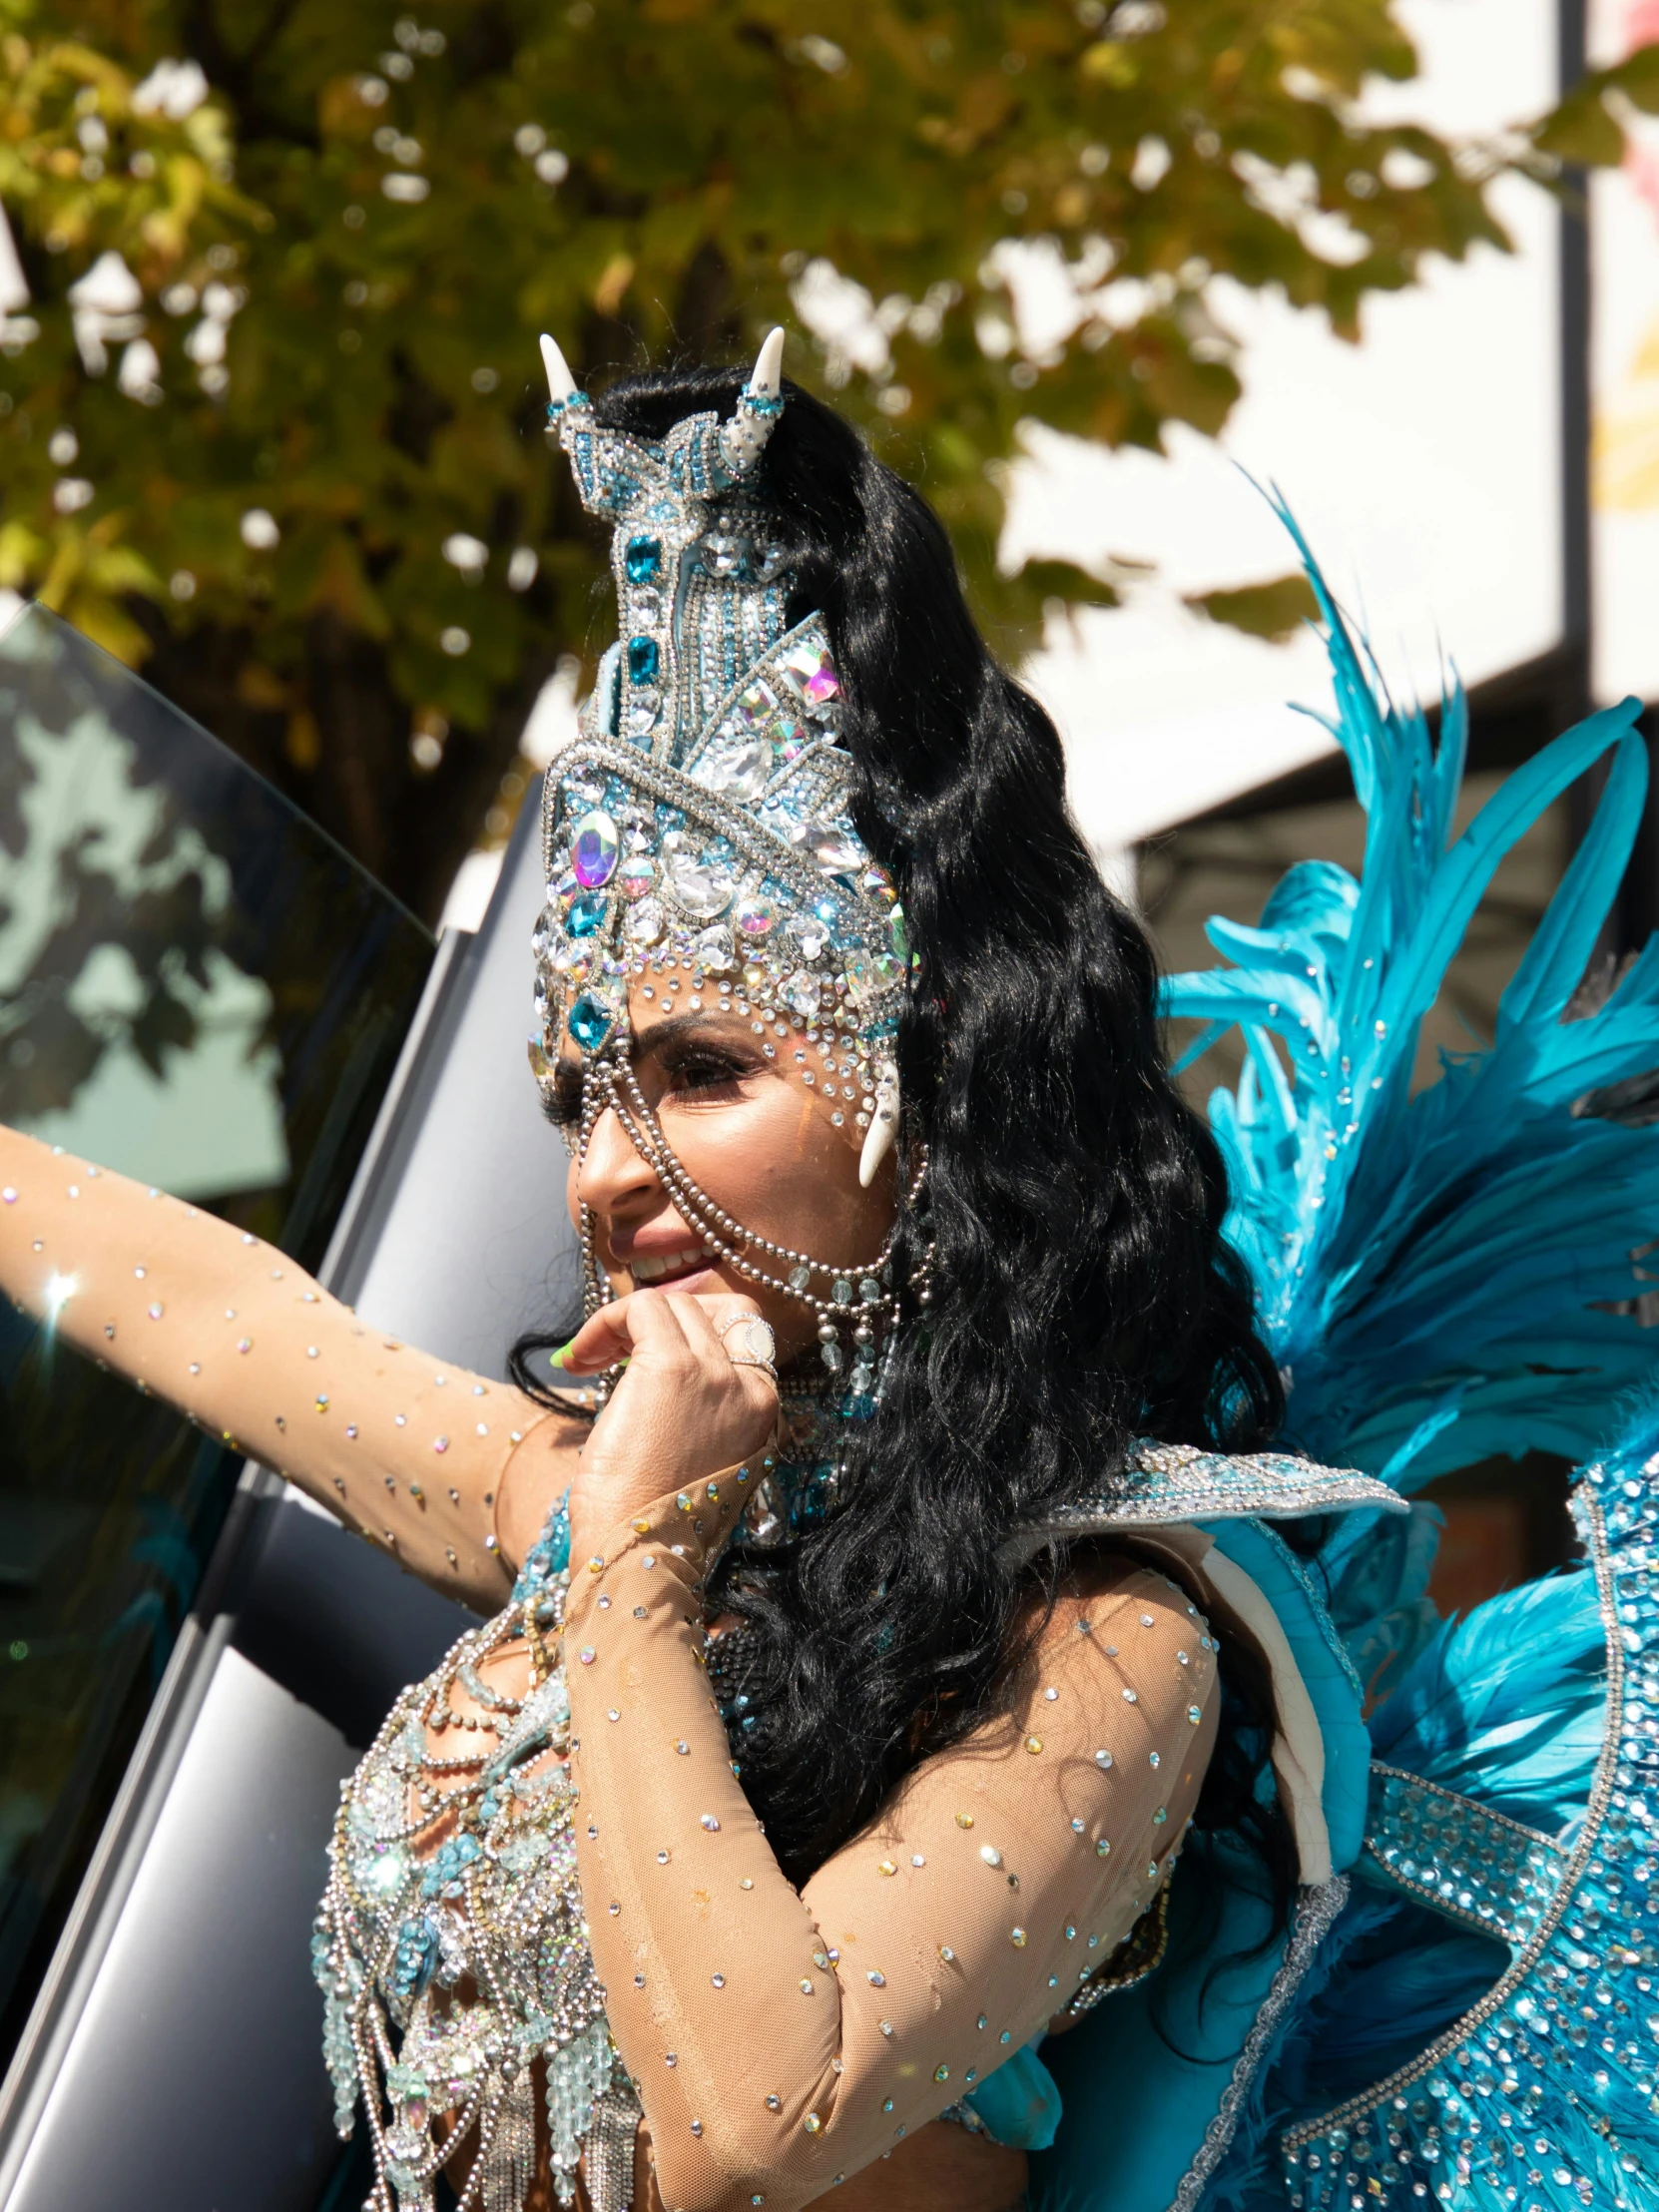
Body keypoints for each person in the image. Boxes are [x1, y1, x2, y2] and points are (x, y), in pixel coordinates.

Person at [3, 332, 1658, 2212]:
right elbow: (224, 1312)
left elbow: (749, 2117)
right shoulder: (617, 1498)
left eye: (701, 1075)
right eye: (578, 1092)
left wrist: (627, 1570)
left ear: (937, 1107)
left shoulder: (1107, 1635)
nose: (609, 1168)